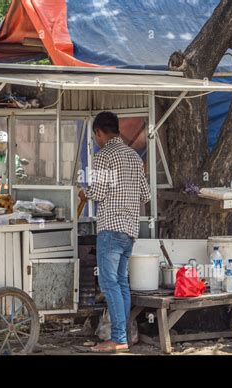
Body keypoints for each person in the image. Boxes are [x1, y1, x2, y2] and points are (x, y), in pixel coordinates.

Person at [79, 111, 151, 353]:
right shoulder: (133, 156)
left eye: (96, 136)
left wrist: (84, 193)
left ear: (99, 132)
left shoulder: (103, 156)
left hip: (110, 228)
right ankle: (124, 336)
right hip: (130, 229)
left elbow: (97, 194)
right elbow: (145, 195)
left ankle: (119, 337)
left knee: (110, 285)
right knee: (121, 284)